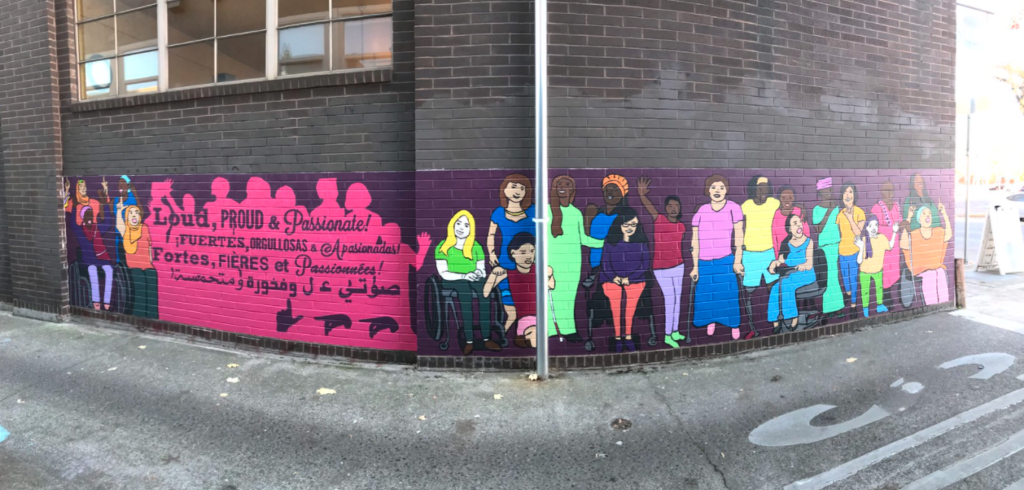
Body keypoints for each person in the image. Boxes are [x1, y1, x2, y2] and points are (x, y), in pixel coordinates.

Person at [435, 211, 500, 355]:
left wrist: (478, 274)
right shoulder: (443, 246)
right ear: (452, 225)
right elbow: (443, 273)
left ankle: (486, 338)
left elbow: (481, 269)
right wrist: (464, 275)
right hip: (452, 280)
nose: (461, 227)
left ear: (471, 229)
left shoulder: (475, 247)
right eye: (458, 223)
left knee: (485, 291)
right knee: (464, 293)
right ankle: (469, 340)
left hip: (472, 278)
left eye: (466, 225)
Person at [547, 175, 604, 341]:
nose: (563, 187)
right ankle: (550, 330)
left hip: (573, 262)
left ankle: (569, 329)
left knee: (569, 296)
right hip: (552, 262)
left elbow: (584, 239)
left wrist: (604, 243)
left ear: (572, 190)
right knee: (552, 295)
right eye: (559, 184)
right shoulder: (546, 211)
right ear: (554, 188)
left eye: (567, 184)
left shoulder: (576, 213)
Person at [690, 175, 744, 340]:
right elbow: (694, 240)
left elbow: (739, 235)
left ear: (726, 189)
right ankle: (710, 322)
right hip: (704, 263)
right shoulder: (702, 210)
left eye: (721, 187)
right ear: (708, 190)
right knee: (706, 295)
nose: (717, 191)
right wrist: (695, 266)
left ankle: (733, 324)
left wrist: (737, 260)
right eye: (713, 187)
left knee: (728, 294)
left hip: (725, 259)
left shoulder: (733, 208)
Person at [637, 177, 687, 348]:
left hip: (679, 266)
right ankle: (667, 335)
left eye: (676, 206)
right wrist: (642, 195)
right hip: (662, 268)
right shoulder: (659, 220)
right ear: (666, 208)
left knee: (677, 299)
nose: (673, 209)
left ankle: (674, 331)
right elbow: (649, 207)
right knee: (669, 300)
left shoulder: (681, 226)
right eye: (670, 206)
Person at [481, 233, 555, 349]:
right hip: (525, 319)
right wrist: (494, 273)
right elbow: (485, 293)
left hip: (539, 317)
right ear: (513, 253)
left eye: (532, 251)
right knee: (534, 336)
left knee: (536, 338)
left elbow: (551, 286)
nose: (529, 256)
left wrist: (550, 275)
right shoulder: (509, 274)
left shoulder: (541, 269)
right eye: (523, 252)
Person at [599, 208, 651, 352]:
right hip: (611, 280)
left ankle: (628, 337)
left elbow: (644, 265)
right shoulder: (610, 241)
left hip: (635, 280)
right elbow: (605, 263)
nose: (630, 228)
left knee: (630, 308)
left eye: (633, 225)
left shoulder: (641, 243)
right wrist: (614, 278)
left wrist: (630, 278)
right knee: (615, 304)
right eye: (626, 224)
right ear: (619, 225)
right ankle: (617, 338)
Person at [740, 175, 780, 338]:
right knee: (749, 292)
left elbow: (787, 207)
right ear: (753, 189)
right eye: (760, 186)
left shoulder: (774, 203)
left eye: (766, 186)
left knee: (774, 288)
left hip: (769, 252)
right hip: (750, 254)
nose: (763, 189)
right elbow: (738, 224)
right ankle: (752, 327)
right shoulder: (746, 206)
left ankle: (777, 320)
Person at [767, 214, 816, 333]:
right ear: (789, 228)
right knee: (775, 288)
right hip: (792, 274)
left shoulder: (809, 242)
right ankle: (775, 321)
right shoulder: (786, 243)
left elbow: (809, 263)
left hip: (806, 274)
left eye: (799, 223)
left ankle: (793, 318)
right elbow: (781, 260)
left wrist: (803, 266)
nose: (799, 225)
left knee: (786, 286)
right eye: (795, 223)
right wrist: (774, 263)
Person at [900, 203, 952, 306]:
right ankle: (932, 305)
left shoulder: (938, 231)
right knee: (931, 275)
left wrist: (944, 214)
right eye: (924, 214)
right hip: (921, 269)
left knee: (940, 272)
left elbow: (948, 235)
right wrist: (909, 217)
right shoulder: (914, 234)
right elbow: (904, 244)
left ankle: (943, 304)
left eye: (929, 214)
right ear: (919, 219)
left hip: (936, 267)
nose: (927, 215)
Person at [116, 204, 158, 319]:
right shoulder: (126, 230)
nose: (134, 215)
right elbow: (118, 225)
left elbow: (149, 247)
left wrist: (150, 262)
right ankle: (139, 317)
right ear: (127, 217)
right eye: (131, 213)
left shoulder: (144, 228)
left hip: (147, 265)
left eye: (136, 212)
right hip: (134, 266)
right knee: (140, 285)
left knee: (152, 281)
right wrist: (119, 210)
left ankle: (152, 316)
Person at [812, 178, 845, 317]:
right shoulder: (817, 209)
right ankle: (832, 308)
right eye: (828, 189)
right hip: (824, 246)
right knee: (828, 277)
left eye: (831, 189)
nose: (831, 192)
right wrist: (829, 211)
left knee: (834, 275)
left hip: (836, 244)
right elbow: (818, 228)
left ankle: (834, 307)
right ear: (821, 192)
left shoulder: (838, 208)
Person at [487, 174, 535, 270]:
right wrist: (492, 254)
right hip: (505, 259)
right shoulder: (499, 212)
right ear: (504, 189)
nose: (517, 192)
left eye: (522, 188)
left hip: (529, 259)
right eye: (513, 187)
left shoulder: (533, 210)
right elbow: (491, 235)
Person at [856, 215, 899, 318]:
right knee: (865, 291)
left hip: (878, 270)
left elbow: (890, 246)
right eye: (870, 226)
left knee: (879, 288)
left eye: (875, 225)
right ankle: (865, 309)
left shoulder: (882, 237)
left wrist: (894, 232)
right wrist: (861, 248)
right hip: (865, 272)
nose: (873, 228)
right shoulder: (863, 240)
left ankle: (879, 305)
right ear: (866, 228)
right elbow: (859, 261)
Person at [584, 174, 629, 270]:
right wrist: (588, 219)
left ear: (623, 194)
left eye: (615, 190)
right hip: (595, 265)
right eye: (607, 190)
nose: (610, 193)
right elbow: (587, 236)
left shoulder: (625, 215)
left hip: (614, 265)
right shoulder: (597, 213)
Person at [836, 182, 865, 314]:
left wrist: (849, 217)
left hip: (854, 252)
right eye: (845, 192)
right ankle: (849, 294)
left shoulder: (859, 212)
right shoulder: (840, 214)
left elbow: (858, 232)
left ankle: (853, 305)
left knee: (853, 279)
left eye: (850, 192)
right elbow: (838, 232)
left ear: (854, 195)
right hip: (842, 252)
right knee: (845, 280)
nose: (847, 195)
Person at [79, 205, 115, 311]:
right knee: (92, 270)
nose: (90, 217)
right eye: (87, 215)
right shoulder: (80, 230)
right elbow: (72, 223)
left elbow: (108, 223)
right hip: (89, 261)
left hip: (102, 258)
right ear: (83, 217)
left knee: (109, 270)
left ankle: (107, 302)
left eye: (91, 215)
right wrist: (75, 205)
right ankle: (96, 302)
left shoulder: (97, 228)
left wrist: (105, 202)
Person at [870, 181, 903, 292]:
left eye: (890, 190)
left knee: (894, 271)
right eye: (885, 190)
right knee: (884, 273)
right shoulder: (877, 208)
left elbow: (900, 222)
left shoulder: (896, 206)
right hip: (882, 247)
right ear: (882, 192)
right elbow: (873, 227)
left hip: (895, 247)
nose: (888, 193)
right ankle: (886, 295)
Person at [772, 186, 811, 259]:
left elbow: (806, 233)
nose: (787, 201)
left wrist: (806, 253)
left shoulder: (799, 211)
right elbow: (774, 238)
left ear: (794, 199)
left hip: (800, 253)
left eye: (790, 198)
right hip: (783, 255)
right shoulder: (777, 214)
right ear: (779, 199)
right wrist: (777, 257)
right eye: (783, 198)